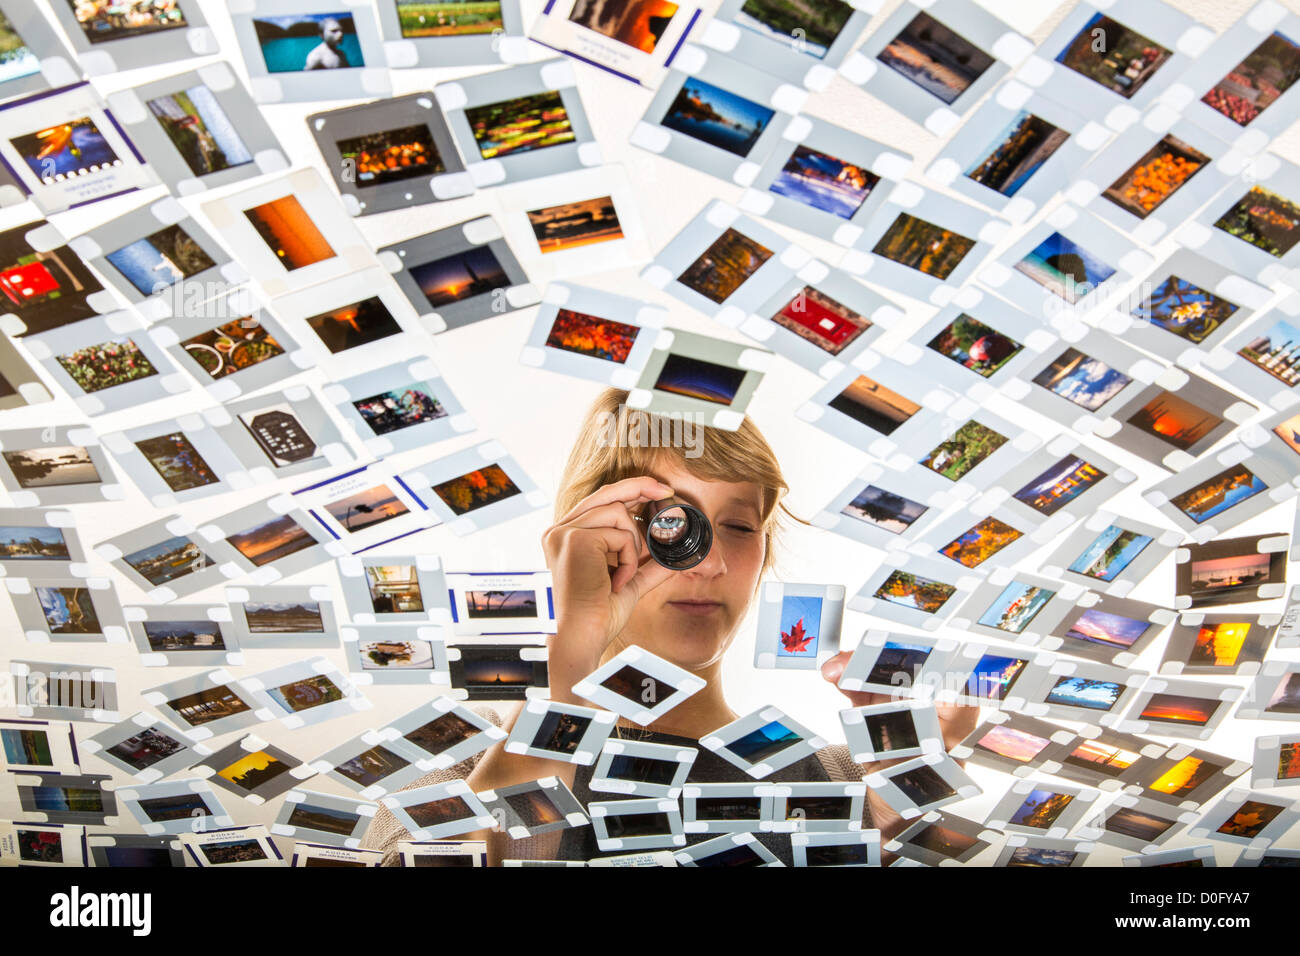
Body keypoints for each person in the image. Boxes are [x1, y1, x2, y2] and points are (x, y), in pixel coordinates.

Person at [361, 388, 978, 864]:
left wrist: (896, 813)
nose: (707, 561)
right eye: (667, 523)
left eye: (738, 527)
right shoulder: (451, 765)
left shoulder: (846, 780)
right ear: (592, 541)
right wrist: (572, 646)